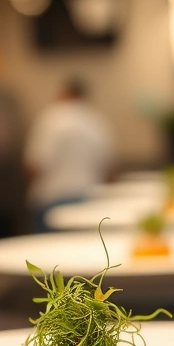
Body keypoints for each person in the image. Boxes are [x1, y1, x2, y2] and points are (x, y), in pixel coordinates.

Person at [23, 77, 113, 232]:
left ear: (64, 93)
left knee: (47, 247)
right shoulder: (97, 122)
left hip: (51, 201)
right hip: (88, 199)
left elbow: (35, 164)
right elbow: (108, 169)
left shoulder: (51, 118)